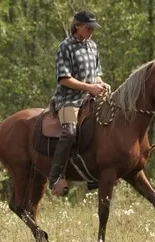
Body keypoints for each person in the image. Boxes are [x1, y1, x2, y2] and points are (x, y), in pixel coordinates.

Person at [48, 10, 110, 196]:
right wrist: (88, 88)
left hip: (91, 98)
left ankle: (93, 175)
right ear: (77, 26)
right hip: (69, 99)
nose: (92, 31)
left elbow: (96, 74)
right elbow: (64, 78)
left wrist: (101, 83)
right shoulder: (65, 47)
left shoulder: (92, 46)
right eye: (88, 28)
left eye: (93, 28)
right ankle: (56, 176)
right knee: (69, 132)